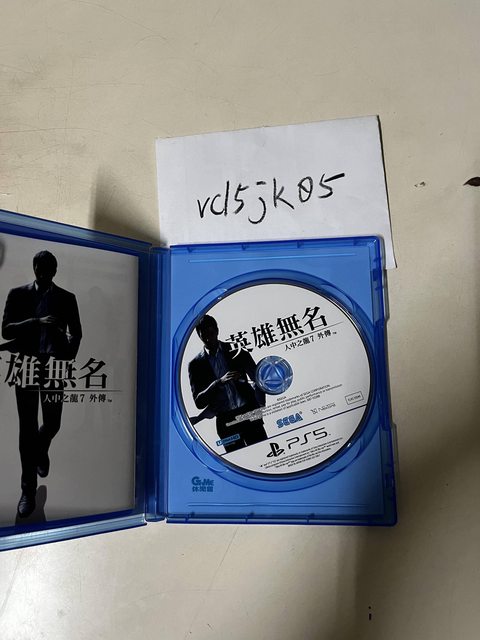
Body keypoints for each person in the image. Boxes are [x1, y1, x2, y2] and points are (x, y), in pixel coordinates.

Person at [1, 250, 82, 518]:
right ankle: (28, 490)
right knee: (27, 429)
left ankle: (41, 448)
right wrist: (36, 322)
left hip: (54, 366)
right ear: (34, 268)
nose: (43, 273)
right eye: (39, 268)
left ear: (55, 271)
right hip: (25, 365)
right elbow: (6, 331)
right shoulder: (17, 294)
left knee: (53, 422)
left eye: (48, 269)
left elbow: (76, 333)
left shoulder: (67, 298)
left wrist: (67, 357)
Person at [188, 314, 267, 453]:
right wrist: (218, 383)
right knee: (236, 462)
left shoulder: (238, 350)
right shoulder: (195, 365)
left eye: (211, 333)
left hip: (250, 416)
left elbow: (258, 380)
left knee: (265, 456)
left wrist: (260, 406)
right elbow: (199, 403)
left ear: (217, 331)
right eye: (204, 335)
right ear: (199, 336)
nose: (208, 338)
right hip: (226, 425)